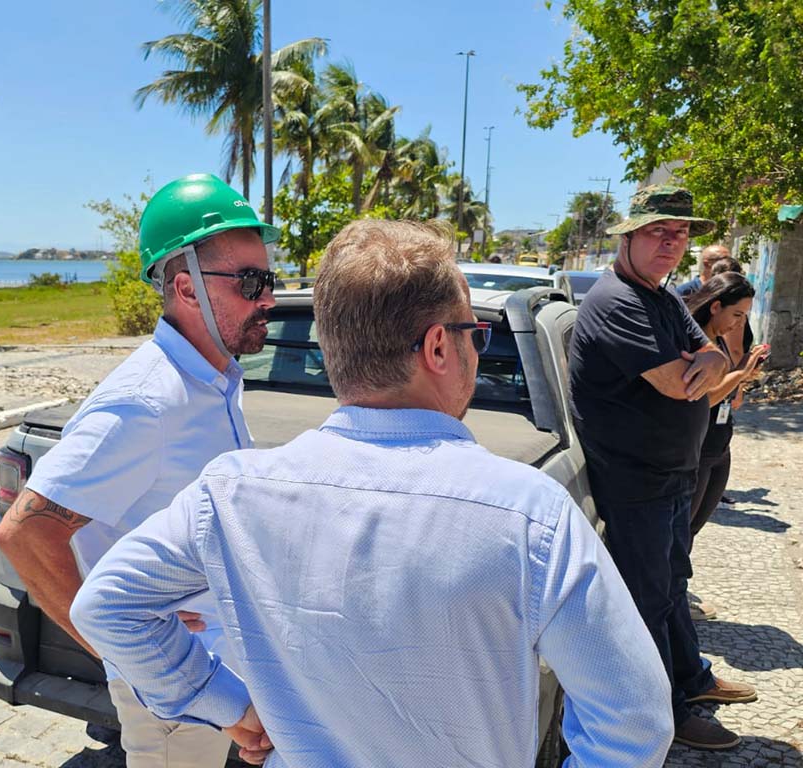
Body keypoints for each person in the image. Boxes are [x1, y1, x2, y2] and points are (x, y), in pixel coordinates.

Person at [72, 219, 676, 768]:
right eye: (475, 335)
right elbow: (633, 722)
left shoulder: (229, 494)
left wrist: (225, 703)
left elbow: (107, 605)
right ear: (439, 346)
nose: (476, 350)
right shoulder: (528, 513)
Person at [0, 173, 280, 768]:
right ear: (186, 287)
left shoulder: (213, 381)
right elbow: (25, 534)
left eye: (269, 280)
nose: (269, 299)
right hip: (177, 701)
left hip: (215, 667)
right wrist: (127, 654)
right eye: (251, 282)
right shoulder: (146, 400)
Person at [569, 185, 757, 751]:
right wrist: (699, 360)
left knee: (673, 586)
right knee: (647, 603)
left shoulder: (664, 296)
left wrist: (709, 355)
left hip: (671, 475)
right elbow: (679, 385)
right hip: (636, 482)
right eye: (657, 231)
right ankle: (665, 717)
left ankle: (691, 681)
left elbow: (714, 351)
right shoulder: (618, 301)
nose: (671, 242)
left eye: (679, 233)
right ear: (627, 236)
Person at [684, 275, 768, 611]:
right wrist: (741, 374)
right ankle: (673, 602)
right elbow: (702, 399)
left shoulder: (714, 338)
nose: (740, 323)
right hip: (699, 446)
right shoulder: (697, 340)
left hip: (719, 443)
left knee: (693, 527)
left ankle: (678, 593)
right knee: (682, 531)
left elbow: (725, 399)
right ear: (715, 305)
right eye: (737, 315)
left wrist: (741, 378)